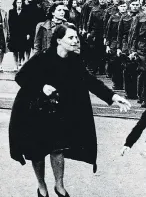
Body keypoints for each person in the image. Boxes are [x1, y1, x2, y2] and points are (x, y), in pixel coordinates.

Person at [9, 23, 131, 197]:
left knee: (57, 148)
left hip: (57, 111)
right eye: (71, 38)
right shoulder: (42, 57)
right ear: (59, 40)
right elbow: (20, 77)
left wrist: (113, 97)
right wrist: (41, 87)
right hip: (35, 110)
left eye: (76, 37)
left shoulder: (74, 60)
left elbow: (90, 81)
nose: (76, 41)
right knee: (36, 150)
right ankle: (41, 186)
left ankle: (59, 186)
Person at [8, 0, 27, 71]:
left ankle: (20, 62)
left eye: (20, 3)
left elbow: (27, 23)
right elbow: (10, 22)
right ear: (15, 3)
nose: (19, 4)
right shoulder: (11, 11)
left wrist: (27, 33)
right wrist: (10, 32)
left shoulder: (25, 12)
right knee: (15, 50)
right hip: (14, 33)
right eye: (18, 2)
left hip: (22, 33)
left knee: (22, 49)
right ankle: (15, 64)